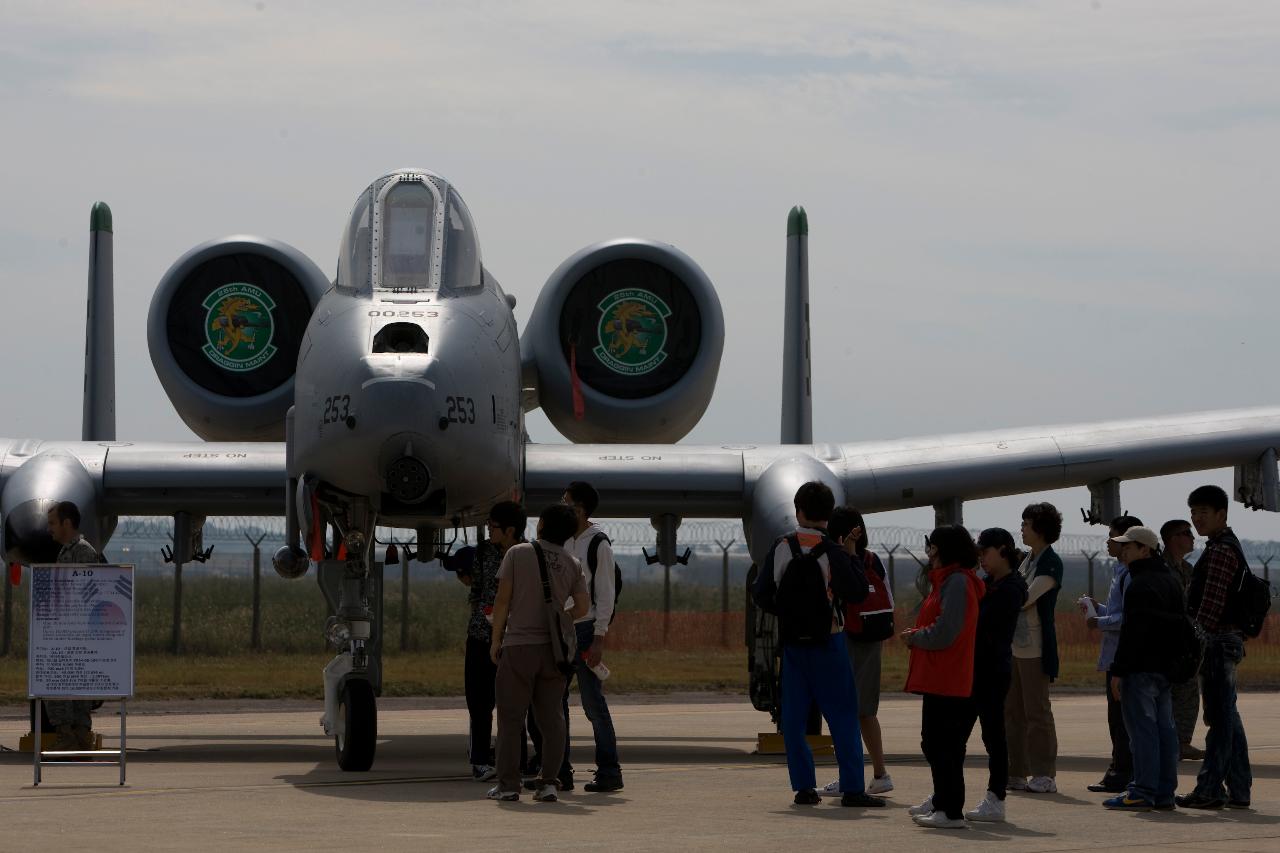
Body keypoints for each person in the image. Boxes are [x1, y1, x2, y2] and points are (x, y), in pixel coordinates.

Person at [752, 481, 879, 808]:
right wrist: (851, 559)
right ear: (828, 514)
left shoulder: (782, 546)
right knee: (843, 716)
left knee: (793, 720)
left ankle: (804, 787)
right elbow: (858, 592)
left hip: (793, 645)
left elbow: (761, 593)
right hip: (830, 641)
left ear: (798, 511)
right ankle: (852, 787)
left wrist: (788, 611)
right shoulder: (834, 552)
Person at [487, 503, 590, 802]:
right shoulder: (572, 563)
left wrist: (496, 641)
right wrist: (561, 619)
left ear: (541, 524)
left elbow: (502, 601)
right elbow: (582, 607)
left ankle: (508, 786)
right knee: (552, 720)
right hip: (555, 651)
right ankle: (548, 783)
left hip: (519, 647)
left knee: (510, 719)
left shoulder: (517, 554)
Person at [541, 480, 623, 793]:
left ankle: (609, 770)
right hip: (563, 629)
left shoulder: (598, 544)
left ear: (580, 508)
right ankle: (561, 771)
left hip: (586, 629)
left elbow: (606, 593)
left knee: (592, 704)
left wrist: (599, 637)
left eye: (567, 502)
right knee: (556, 704)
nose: (562, 507)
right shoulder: (561, 541)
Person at [902, 525, 985, 829]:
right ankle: (942, 802)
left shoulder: (958, 583)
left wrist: (915, 637)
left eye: (932, 547)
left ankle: (951, 810)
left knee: (943, 745)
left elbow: (947, 631)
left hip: (948, 678)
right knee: (934, 743)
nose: (928, 553)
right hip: (939, 677)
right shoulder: (946, 582)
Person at [1177, 485, 1252, 810]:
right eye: (1193, 512)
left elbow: (1211, 604)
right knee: (1228, 718)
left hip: (1217, 643)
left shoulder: (1221, 550)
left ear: (1222, 514)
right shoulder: (1223, 546)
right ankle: (1238, 789)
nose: (1197, 518)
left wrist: (1194, 640)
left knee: (1220, 721)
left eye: (1204, 512)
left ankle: (1210, 790)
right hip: (1224, 641)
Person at [1104, 526, 1185, 811]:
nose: (1123, 550)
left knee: (1142, 732)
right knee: (1165, 731)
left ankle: (1142, 790)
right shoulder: (1170, 580)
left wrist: (1118, 670)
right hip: (1165, 669)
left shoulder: (1139, 584)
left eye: (1130, 546)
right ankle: (1164, 792)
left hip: (1140, 669)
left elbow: (1133, 634)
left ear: (1145, 550)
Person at [819, 506, 894, 798]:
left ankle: (852, 774)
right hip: (872, 638)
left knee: (844, 709)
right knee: (866, 711)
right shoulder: (874, 559)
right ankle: (878, 772)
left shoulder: (839, 561)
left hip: (847, 637)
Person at [959, 528, 1029, 823]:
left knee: (993, 736)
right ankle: (945, 792)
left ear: (1002, 550)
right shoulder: (988, 582)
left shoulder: (1011, 588)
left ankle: (996, 797)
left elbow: (983, 623)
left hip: (992, 670)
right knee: (955, 735)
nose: (981, 560)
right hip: (974, 669)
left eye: (985, 553)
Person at [455, 500, 527, 781]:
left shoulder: (527, 554)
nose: (488, 530)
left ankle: (516, 760)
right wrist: (480, 616)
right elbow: (478, 590)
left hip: (515, 638)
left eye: (493, 526)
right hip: (481, 636)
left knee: (514, 704)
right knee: (478, 701)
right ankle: (481, 760)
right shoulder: (483, 552)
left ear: (509, 530)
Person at [1082, 514, 1143, 794]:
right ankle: (1119, 769)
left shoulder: (1131, 574)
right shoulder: (1120, 572)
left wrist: (1099, 622)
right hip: (1114, 656)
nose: (1108, 542)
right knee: (1116, 718)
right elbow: (1118, 612)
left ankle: (1123, 772)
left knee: (1122, 720)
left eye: (1113, 536)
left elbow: (1129, 618)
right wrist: (1100, 608)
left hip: (1123, 658)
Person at [1005, 501, 1064, 794]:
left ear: (1039, 529)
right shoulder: (1027, 559)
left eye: (1026, 524)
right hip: (1015, 646)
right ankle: (1016, 770)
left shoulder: (1050, 563)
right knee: (1012, 711)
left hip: (1036, 648)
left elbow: (1024, 597)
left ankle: (1044, 773)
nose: (1022, 529)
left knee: (1037, 712)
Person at [45, 500, 102, 751]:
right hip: (66, 633)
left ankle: (74, 735)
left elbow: (90, 594)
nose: (50, 529)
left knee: (70, 688)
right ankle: (73, 736)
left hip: (77, 635)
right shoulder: (66, 551)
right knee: (66, 688)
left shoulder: (83, 552)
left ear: (66, 523)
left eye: (53, 523)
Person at [1160, 518, 1205, 762]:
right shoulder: (1161, 569)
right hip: (1167, 640)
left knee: (1187, 691)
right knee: (1167, 693)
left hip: (1184, 641)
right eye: (1185, 533)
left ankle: (1182, 741)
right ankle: (1171, 743)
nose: (1191, 536)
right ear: (1173, 539)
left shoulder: (1187, 570)